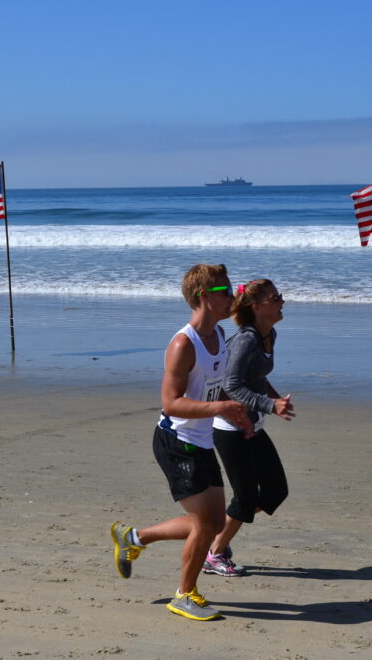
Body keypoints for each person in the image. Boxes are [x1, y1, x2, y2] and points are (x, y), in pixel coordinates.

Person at [110, 263, 252, 621]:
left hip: (201, 440)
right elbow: (171, 403)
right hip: (176, 441)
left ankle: (134, 538)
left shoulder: (219, 335)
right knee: (206, 524)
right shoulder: (182, 344)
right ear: (204, 297)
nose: (232, 296)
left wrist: (239, 412)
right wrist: (221, 407)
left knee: (215, 522)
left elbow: (219, 387)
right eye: (225, 292)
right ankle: (184, 595)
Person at [202, 279, 295, 577]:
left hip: (252, 424)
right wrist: (270, 405)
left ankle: (219, 537)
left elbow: (254, 377)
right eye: (276, 297)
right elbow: (231, 385)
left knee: (275, 491)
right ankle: (215, 552)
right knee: (245, 498)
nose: (282, 301)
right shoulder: (246, 339)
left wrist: (274, 398)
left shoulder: (271, 334)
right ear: (257, 307)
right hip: (229, 427)